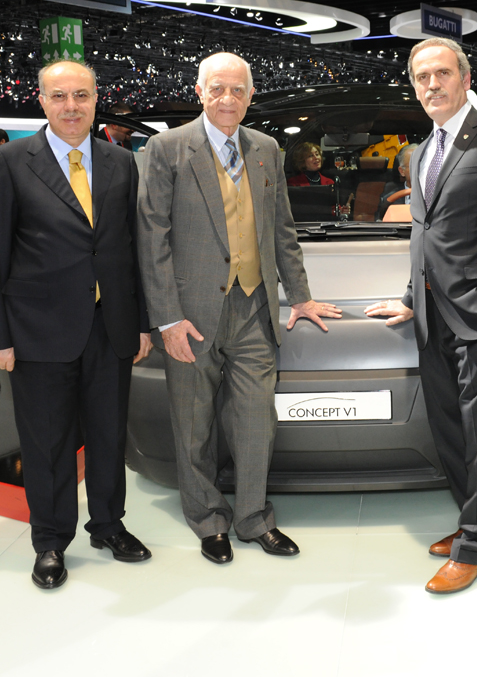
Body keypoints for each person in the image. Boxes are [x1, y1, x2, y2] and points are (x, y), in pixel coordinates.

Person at [137, 52, 341, 566]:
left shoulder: (266, 149)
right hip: (190, 313)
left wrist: (300, 295)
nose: (227, 99)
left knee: (255, 422)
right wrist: (166, 318)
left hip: (254, 308)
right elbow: (152, 236)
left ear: (250, 96)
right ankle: (209, 519)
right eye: (217, 89)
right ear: (200, 92)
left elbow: (281, 230)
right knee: (194, 425)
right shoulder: (167, 148)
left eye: (237, 90)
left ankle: (253, 518)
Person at [365, 37, 477, 595]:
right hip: (433, 315)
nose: (432, 84)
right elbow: (426, 236)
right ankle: (472, 519)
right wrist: (410, 298)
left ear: (465, 80)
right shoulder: (423, 151)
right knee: (450, 427)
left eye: (442, 73)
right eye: (421, 77)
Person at [0, 60, 154, 591]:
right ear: (42, 101)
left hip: (110, 325)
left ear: (97, 99)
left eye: (81, 95)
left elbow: (131, 248)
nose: (71, 106)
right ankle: (50, 540)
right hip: (37, 329)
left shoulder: (121, 161)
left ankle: (109, 524)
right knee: (47, 442)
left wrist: (142, 323)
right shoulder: (10, 161)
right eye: (59, 96)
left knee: (108, 435)